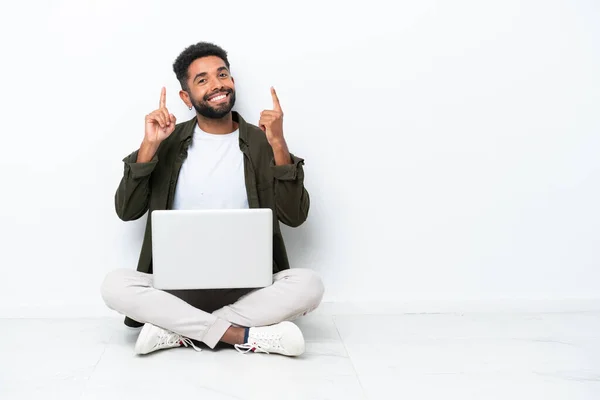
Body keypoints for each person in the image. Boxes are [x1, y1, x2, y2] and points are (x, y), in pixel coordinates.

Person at [100, 42, 324, 357]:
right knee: (114, 284)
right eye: (202, 80)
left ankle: (178, 330)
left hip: (249, 289)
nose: (217, 84)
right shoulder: (167, 142)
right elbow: (127, 210)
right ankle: (240, 334)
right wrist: (148, 147)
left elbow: (295, 216)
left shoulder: (263, 141)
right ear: (186, 98)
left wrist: (278, 143)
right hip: (178, 291)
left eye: (222, 74)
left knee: (310, 284)